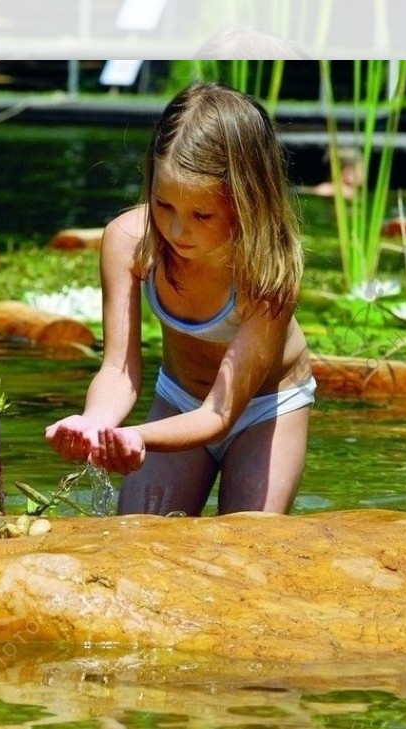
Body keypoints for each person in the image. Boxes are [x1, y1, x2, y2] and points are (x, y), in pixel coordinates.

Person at [45, 82, 315, 517]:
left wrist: (142, 437)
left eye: (201, 215)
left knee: (247, 545)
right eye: (163, 205)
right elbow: (118, 368)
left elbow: (218, 415)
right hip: (180, 399)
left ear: (246, 200)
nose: (175, 231)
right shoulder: (128, 241)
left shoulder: (268, 274)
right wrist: (96, 423)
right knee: (139, 535)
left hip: (266, 409)